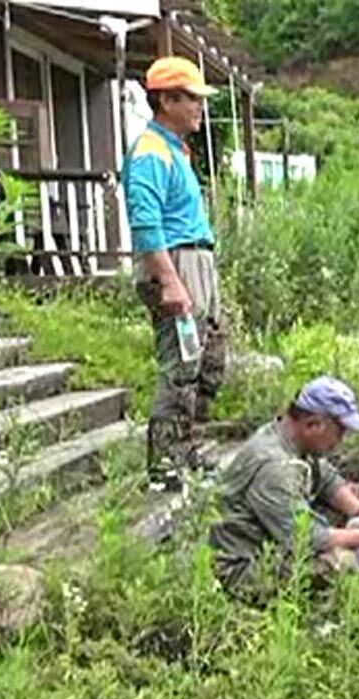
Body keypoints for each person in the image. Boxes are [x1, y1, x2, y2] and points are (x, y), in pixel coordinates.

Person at [126, 57, 227, 491]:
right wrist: (169, 280)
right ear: (166, 100)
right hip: (176, 263)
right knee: (180, 364)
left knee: (209, 359)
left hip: (196, 260)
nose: (199, 108)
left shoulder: (174, 150)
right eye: (192, 99)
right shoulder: (150, 152)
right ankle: (164, 464)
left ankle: (187, 446)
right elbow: (146, 222)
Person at [210, 377, 359, 595]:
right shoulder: (274, 469)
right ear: (313, 424)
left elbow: (325, 478)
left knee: (353, 501)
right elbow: (305, 538)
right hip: (244, 565)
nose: (340, 441)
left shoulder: (289, 437)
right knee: (337, 565)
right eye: (339, 432)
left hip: (269, 537)